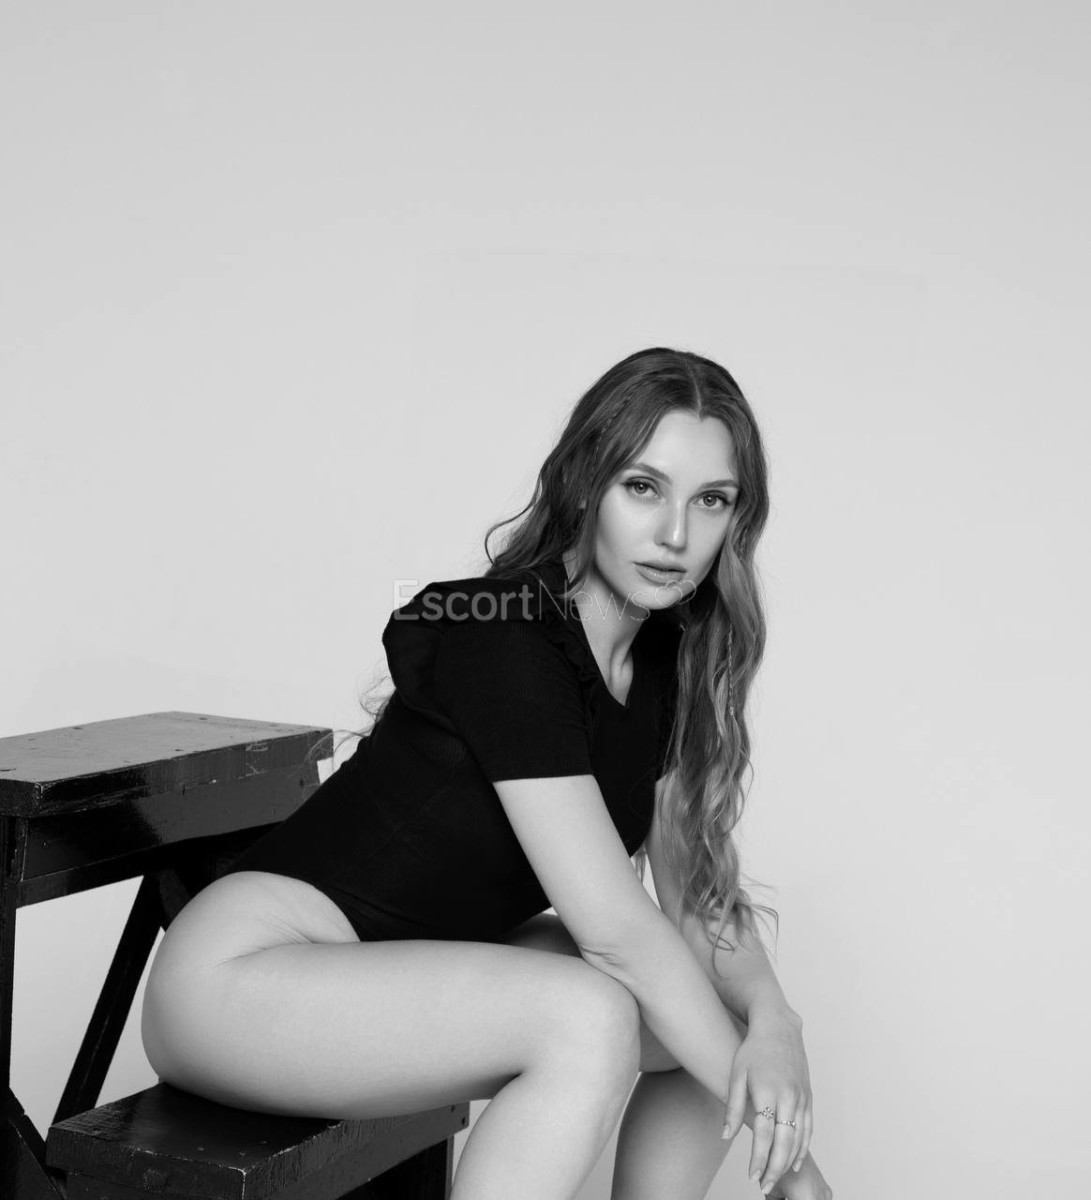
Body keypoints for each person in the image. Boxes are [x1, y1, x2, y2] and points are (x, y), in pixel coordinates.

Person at [140, 347, 832, 1200]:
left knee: (706, 1017)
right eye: (642, 487)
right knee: (591, 1017)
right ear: (585, 485)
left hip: (406, 974)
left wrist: (775, 1021)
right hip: (241, 979)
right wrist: (796, 1171)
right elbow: (616, 931)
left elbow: (695, 900)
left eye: (710, 500)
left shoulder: (666, 664)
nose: (675, 535)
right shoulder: (504, 632)